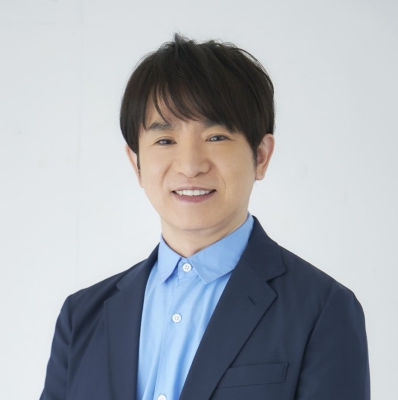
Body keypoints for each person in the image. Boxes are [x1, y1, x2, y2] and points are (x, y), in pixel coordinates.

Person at [40, 34, 370, 400]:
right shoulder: (82, 317)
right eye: (165, 141)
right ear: (136, 163)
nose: (190, 166)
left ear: (260, 156)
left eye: (216, 137)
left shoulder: (322, 309)